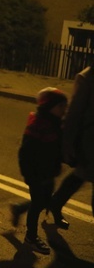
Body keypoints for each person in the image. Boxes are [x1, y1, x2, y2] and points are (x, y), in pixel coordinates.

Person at [10, 87, 68, 254]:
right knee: (37, 204)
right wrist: (29, 175)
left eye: (65, 106)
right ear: (48, 106)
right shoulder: (38, 125)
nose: (63, 110)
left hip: (48, 172)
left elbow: (56, 148)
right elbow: (25, 153)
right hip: (37, 174)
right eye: (60, 107)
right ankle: (31, 237)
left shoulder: (56, 124)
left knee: (43, 200)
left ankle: (19, 208)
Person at [49, 65, 94, 227]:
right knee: (84, 172)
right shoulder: (87, 77)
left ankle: (54, 202)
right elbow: (74, 113)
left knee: (82, 174)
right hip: (90, 140)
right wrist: (66, 143)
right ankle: (53, 202)